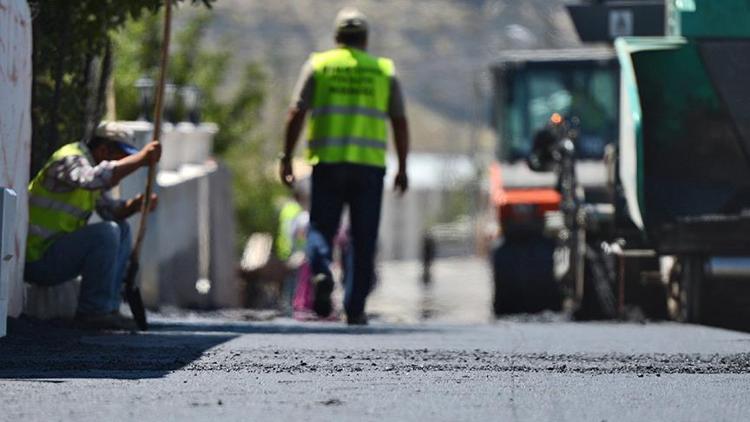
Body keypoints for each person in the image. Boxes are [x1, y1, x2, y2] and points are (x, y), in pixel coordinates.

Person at [280, 7, 410, 325]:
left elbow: (296, 111)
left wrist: (286, 156)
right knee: (363, 238)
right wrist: (403, 167)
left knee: (321, 229)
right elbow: (399, 121)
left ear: (337, 38)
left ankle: (322, 271)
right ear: (365, 40)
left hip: (328, 164)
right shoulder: (383, 70)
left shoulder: (319, 65)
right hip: (369, 168)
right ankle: (355, 307)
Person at [24, 122, 161, 330]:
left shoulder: (91, 167)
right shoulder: (69, 158)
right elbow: (92, 179)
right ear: (103, 150)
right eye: (121, 157)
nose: (124, 164)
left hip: (56, 254)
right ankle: (93, 312)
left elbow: (111, 211)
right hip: (36, 258)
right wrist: (141, 159)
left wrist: (135, 205)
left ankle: (109, 309)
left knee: (121, 228)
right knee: (107, 233)